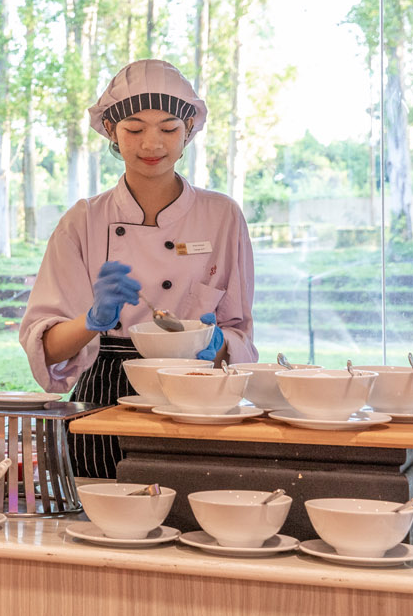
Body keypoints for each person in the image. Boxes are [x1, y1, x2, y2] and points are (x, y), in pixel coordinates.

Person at [19, 59, 256, 478]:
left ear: (189, 130)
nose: (152, 144)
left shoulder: (222, 216)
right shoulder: (82, 221)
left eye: (168, 128)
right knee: (97, 508)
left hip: (194, 397)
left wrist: (216, 343)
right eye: (134, 129)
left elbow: (239, 335)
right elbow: (48, 349)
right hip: (102, 402)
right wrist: (93, 320)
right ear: (111, 130)